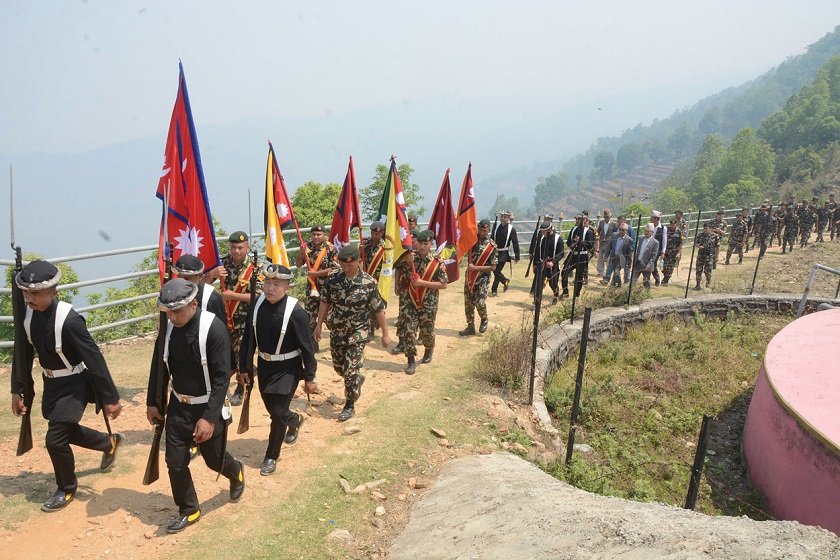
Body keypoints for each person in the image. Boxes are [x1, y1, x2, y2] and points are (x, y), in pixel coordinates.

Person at [11, 260, 123, 512]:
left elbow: (94, 358)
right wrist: (17, 390)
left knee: (55, 439)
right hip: (51, 384)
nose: (30, 298)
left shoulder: (70, 321)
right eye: (26, 292)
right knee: (65, 430)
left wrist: (110, 397)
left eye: (36, 293)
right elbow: (23, 354)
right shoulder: (28, 317)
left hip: (75, 383)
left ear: (54, 291)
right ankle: (109, 443)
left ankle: (66, 488)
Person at [146, 278, 245, 533]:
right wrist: (153, 403)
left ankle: (236, 473)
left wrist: (210, 418)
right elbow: (159, 367)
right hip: (180, 405)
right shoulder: (167, 328)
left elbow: (223, 378)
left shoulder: (214, 330)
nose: (173, 317)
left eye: (177, 311)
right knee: (175, 461)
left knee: (214, 460)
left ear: (194, 304)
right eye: (168, 312)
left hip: (208, 406)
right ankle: (189, 509)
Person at [239, 264, 319, 476]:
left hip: (288, 368)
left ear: (287, 287)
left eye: (276, 284)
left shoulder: (296, 312)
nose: (270, 288)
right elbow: (248, 339)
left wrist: (310, 376)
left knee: (277, 413)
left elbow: (307, 347)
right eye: (267, 282)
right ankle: (295, 421)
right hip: (265, 367)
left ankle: (271, 456)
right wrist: (244, 367)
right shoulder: (257, 305)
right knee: (274, 409)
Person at [315, 244, 391, 422]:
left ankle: (349, 405)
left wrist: (386, 333)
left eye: (351, 264)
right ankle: (356, 379)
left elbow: (379, 309)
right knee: (339, 367)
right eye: (343, 264)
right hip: (337, 330)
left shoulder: (368, 283)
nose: (347, 267)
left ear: (359, 261)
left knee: (350, 371)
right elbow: (325, 302)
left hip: (359, 332)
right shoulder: (333, 281)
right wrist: (318, 324)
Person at [394, 230, 448, 374]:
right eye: (421, 243)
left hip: (428, 302)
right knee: (409, 330)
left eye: (426, 243)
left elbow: (443, 284)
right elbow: (400, 272)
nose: (423, 247)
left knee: (427, 331)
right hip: (410, 300)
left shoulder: (437, 262)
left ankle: (429, 349)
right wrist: (405, 261)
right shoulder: (410, 258)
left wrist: (422, 283)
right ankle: (411, 360)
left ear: (431, 244)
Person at [217, 231, 260, 406]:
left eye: (240, 248)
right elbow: (203, 280)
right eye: (233, 247)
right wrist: (212, 272)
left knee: (243, 355)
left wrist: (231, 296)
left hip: (246, 319)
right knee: (225, 355)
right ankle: (222, 387)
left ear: (247, 247)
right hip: (225, 318)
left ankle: (241, 389)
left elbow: (258, 296)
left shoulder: (256, 267)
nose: (236, 251)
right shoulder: (222, 263)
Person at [296, 225, 339, 339]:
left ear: (324, 235)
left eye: (319, 234)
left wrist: (315, 274)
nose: (316, 237)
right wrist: (301, 253)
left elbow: (333, 269)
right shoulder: (307, 247)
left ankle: (339, 341)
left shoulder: (330, 248)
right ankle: (312, 345)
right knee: (309, 318)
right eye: (314, 234)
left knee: (328, 318)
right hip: (312, 288)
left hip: (327, 289)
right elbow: (298, 264)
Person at [460, 219, 498, 335]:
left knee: (480, 302)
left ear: (489, 230)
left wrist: (476, 268)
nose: (482, 232)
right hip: (470, 276)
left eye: (485, 230)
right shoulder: (472, 240)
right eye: (480, 229)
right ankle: (470, 326)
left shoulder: (492, 246)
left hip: (483, 278)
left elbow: (493, 267)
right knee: (468, 302)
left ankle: (484, 318)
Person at [173, 254, 226, 319]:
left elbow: (219, 327)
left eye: (187, 278)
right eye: (180, 277)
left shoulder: (211, 299)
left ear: (200, 276)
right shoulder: (172, 295)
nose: (183, 282)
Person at [360, 221, 387, 337]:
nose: (375, 235)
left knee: (376, 305)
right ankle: (369, 331)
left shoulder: (385, 247)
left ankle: (375, 324)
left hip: (379, 280)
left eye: (378, 233)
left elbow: (387, 266)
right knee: (367, 305)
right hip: (366, 279)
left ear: (382, 233)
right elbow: (359, 260)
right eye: (373, 233)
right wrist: (360, 251)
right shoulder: (365, 244)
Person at [561, 213, 595, 298]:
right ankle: (565, 292)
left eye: (579, 219)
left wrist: (580, 241)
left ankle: (576, 295)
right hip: (573, 254)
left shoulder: (589, 232)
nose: (577, 221)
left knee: (579, 276)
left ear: (585, 221)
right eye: (576, 219)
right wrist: (573, 244)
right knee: (564, 271)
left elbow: (590, 245)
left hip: (582, 255)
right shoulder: (573, 229)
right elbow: (569, 242)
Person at [533, 222, 564, 303]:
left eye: (544, 231)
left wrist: (553, 262)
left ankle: (556, 296)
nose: (543, 233)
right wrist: (536, 264)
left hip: (553, 265)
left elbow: (561, 254)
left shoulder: (558, 239)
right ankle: (537, 300)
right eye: (542, 231)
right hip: (543, 264)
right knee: (539, 283)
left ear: (550, 229)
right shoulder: (543, 239)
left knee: (553, 284)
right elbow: (538, 252)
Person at [490, 211, 520, 296]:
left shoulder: (511, 229)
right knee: (494, 270)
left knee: (497, 270)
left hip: (504, 253)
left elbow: (515, 243)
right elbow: (492, 237)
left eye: (505, 217)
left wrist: (517, 256)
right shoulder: (496, 227)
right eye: (502, 217)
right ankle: (505, 281)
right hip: (495, 252)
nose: (503, 218)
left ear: (508, 218)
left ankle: (494, 290)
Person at [632, 224, 660, 289]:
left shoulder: (655, 242)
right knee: (633, 280)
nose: (646, 233)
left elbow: (653, 256)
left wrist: (648, 266)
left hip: (647, 265)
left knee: (646, 282)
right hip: (638, 263)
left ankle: (647, 294)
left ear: (652, 233)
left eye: (648, 231)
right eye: (645, 231)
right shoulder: (641, 239)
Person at [693, 223, 719, 290]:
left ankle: (708, 283)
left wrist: (716, 256)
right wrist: (699, 246)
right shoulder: (700, 235)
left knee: (708, 271)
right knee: (698, 270)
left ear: (710, 229)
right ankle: (698, 285)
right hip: (701, 256)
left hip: (709, 256)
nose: (705, 230)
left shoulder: (715, 236)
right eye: (704, 228)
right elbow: (695, 243)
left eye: (706, 228)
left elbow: (717, 247)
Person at [594, 208, 616, 279]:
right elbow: (598, 231)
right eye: (605, 217)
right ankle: (600, 272)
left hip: (609, 243)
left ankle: (608, 273)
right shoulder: (601, 223)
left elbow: (615, 234)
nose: (606, 218)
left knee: (608, 259)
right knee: (600, 258)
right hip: (602, 242)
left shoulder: (613, 224)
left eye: (607, 217)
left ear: (610, 217)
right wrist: (597, 234)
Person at [661, 220, 683, 286]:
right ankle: (665, 277)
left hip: (674, 252)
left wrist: (679, 252)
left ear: (676, 224)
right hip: (666, 251)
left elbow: (680, 243)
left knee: (670, 267)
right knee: (664, 267)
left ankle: (666, 280)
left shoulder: (679, 232)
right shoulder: (667, 230)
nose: (672, 225)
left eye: (674, 224)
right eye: (671, 224)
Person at [649, 211, 667, 287]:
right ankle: (647, 280)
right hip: (648, 248)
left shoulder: (663, 228)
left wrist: (663, 251)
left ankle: (657, 279)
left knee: (652, 264)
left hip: (657, 250)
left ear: (656, 219)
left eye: (652, 217)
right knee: (648, 264)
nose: (650, 219)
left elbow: (664, 240)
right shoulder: (650, 226)